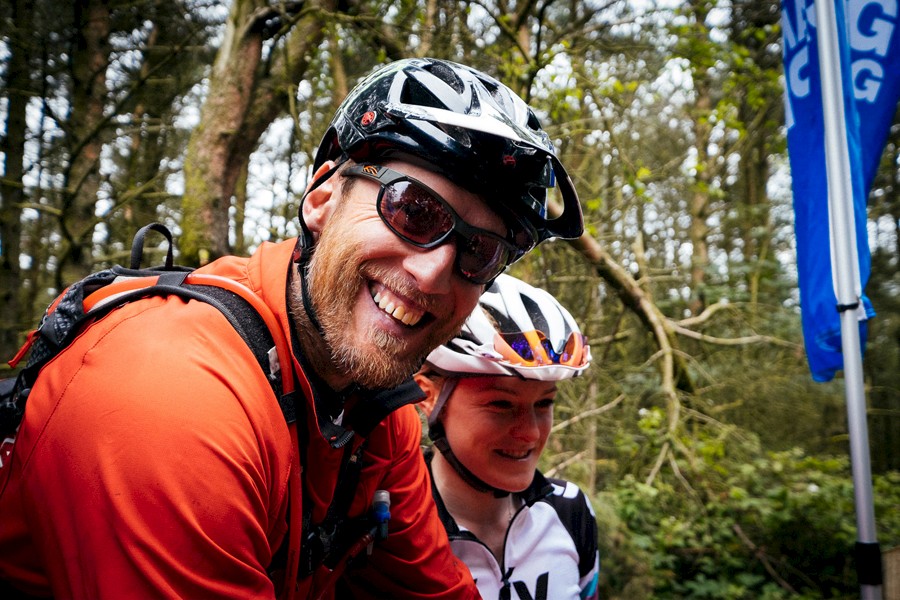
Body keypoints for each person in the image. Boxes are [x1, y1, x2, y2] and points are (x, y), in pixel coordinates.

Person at [0, 58, 584, 599]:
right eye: (414, 211)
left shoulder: (374, 409)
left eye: (479, 253)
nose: (433, 273)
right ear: (323, 198)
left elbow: (435, 589)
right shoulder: (169, 396)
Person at [415, 274, 600, 600]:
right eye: (501, 404)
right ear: (429, 398)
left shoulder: (571, 511)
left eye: (544, 403)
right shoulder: (390, 527)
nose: (530, 432)